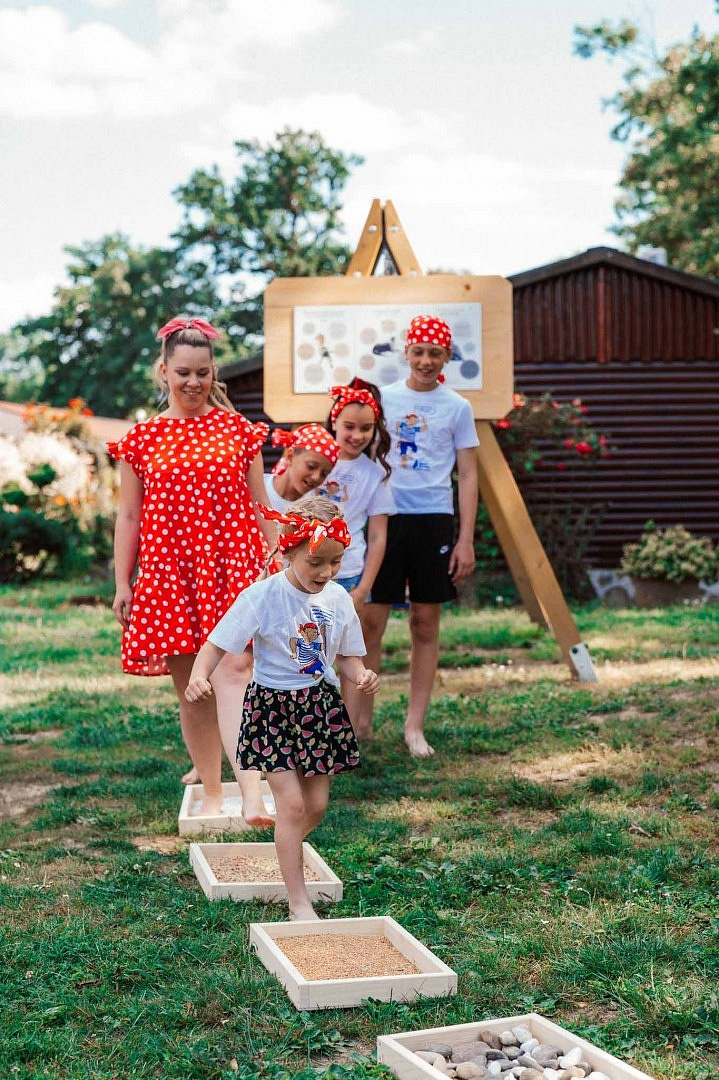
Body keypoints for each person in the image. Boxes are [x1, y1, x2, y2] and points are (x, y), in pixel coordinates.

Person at [109, 315, 275, 824]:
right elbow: (129, 515)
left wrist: (276, 562)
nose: (193, 382)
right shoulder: (142, 439)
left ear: (214, 371)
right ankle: (212, 790)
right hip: (169, 573)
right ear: (164, 371)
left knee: (235, 669)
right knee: (193, 689)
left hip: (232, 568)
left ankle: (250, 791)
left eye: (203, 372)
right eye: (183, 372)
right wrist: (122, 583)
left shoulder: (239, 432)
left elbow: (261, 505)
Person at [185, 495, 378, 921]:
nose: (326, 572)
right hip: (272, 709)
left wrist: (361, 675)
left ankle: (283, 847)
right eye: (316, 563)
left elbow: (348, 657)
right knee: (290, 806)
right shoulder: (262, 596)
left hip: (319, 708)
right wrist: (199, 676)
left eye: (335, 562)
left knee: (316, 806)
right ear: (289, 552)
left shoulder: (339, 599)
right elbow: (216, 643)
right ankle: (298, 902)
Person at [363, 315, 479, 758]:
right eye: (418, 352)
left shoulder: (457, 407)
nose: (426, 361)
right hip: (386, 518)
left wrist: (465, 539)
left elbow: (468, 475)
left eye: (435, 353)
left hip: (434, 520)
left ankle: (414, 727)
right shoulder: (384, 399)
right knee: (370, 622)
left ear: (447, 356)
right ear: (406, 352)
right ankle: (362, 721)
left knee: (425, 623)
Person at [321, 379, 395, 739]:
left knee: (349, 657)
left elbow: (378, 536)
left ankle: (344, 737)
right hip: (307, 575)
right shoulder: (316, 460)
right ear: (334, 422)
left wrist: (363, 588)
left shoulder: (375, 474)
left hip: (349, 576)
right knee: (308, 652)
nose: (357, 435)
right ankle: (310, 731)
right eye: (349, 426)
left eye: (366, 428)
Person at [264, 424, 340, 512]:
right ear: (290, 456)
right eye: (311, 466)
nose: (316, 477)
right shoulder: (256, 486)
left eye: (324, 474)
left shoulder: (314, 509)